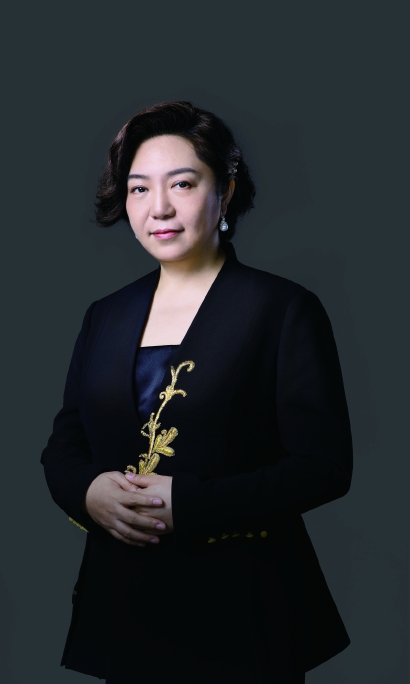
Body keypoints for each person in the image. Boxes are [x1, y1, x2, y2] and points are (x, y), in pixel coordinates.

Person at [41, 101, 353, 684]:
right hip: (123, 609)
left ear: (225, 191)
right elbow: (65, 441)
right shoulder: (105, 315)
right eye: (139, 188)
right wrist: (87, 492)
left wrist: (188, 502)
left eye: (182, 184)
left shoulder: (282, 309)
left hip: (243, 609)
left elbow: (325, 468)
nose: (158, 207)